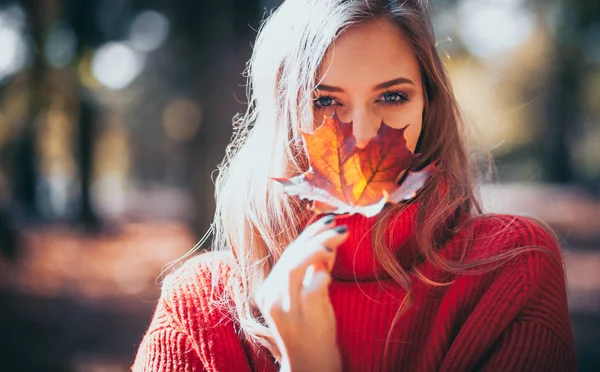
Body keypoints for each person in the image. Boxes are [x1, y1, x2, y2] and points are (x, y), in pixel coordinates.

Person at [132, 0, 578, 371]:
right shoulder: (200, 306)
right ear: (286, 114)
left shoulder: (511, 267)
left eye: (392, 96)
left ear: (429, 104)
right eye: (325, 101)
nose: (362, 133)